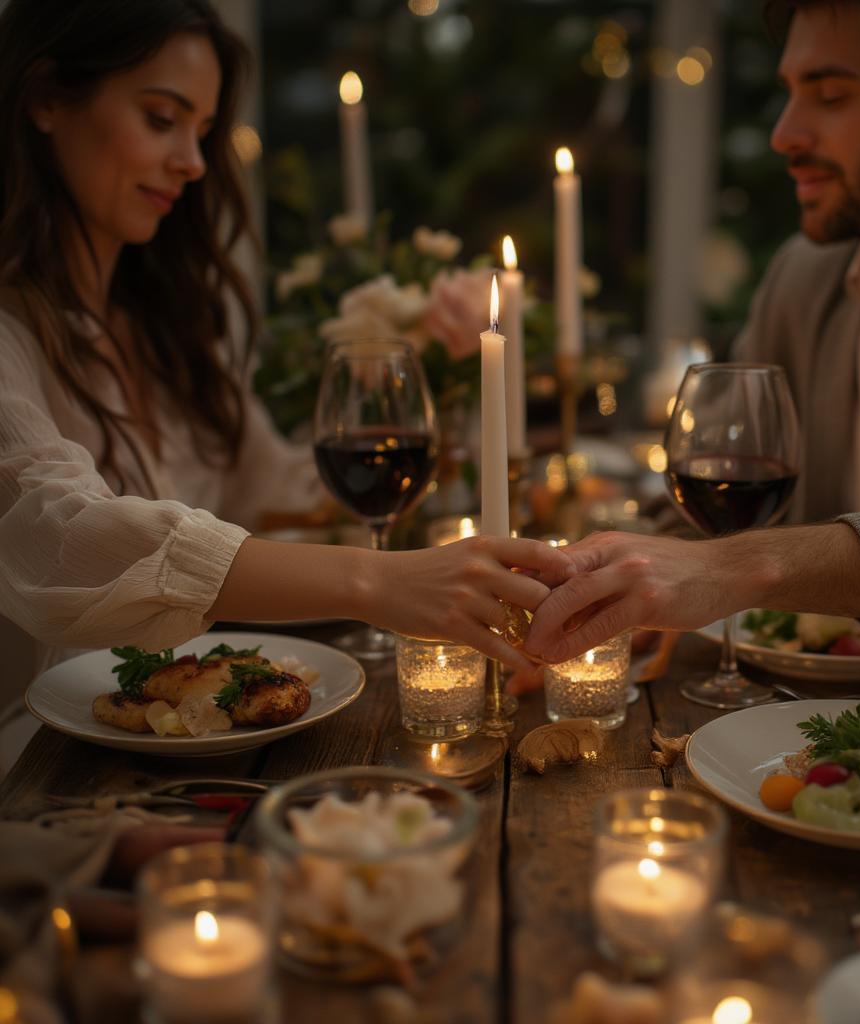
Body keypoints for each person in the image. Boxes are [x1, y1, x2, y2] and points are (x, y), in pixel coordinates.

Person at [0, 0, 571, 765]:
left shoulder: (157, 330)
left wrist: (467, 449)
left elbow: (272, 481)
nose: (194, 163)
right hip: (35, 773)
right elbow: (66, 538)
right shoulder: (10, 335)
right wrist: (378, 581)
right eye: (162, 118)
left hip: (172, 753)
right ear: (44, 100)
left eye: (202, 132)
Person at [526, 0, 860, 718]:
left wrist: (742, 569)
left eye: (829, 95)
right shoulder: (805, 280)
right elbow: (707, 519)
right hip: (801, 742)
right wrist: (595, 597)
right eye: (790, 94)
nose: (784, 135)